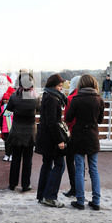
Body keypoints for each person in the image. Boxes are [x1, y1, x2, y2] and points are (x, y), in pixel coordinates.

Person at [65, 74, 104, 210]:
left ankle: (80, 201)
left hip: (79, 137)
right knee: (94, 169)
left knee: (79, 169)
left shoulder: (76, 99)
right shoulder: (99, 100)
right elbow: (100, 120)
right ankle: (96, 201)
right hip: (93, 136)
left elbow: (68, 118)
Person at [35, 74, 68, 208]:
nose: (61, 88)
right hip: (51, 139)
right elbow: (52, 122)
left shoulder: (47, 97)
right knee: (59, 165)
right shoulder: (52, 99)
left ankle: (43, 195)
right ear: (54, 86)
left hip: (46, 137)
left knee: (47, 165)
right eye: (60, 86)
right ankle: (49, 196)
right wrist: (59, 140)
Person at [6, 70, 40, 192]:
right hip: (30, 130)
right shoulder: (36, 98)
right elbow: (39, 109)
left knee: (15, 158)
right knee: (27, 159)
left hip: (17, 130)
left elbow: (9, 108)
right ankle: (26, 184)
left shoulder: (14, 97)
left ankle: (12, 184)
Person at [62, 75, 80, 198]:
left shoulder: (70, 98)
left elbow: (66, 118)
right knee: (81, 162)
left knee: (70, 161)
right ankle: (80, 188)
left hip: (72, 133)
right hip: (85, 134)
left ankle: (74, 187)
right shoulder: (93, 98)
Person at [0, 92, 13, 161]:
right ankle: (7, 154)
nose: (5, 100)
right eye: (4, 99)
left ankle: (11, 154)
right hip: (4, 128)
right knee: (7, 142)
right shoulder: (1, 108)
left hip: (12, 128)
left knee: (12, 142)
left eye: (7, 99)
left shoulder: (13, 108)